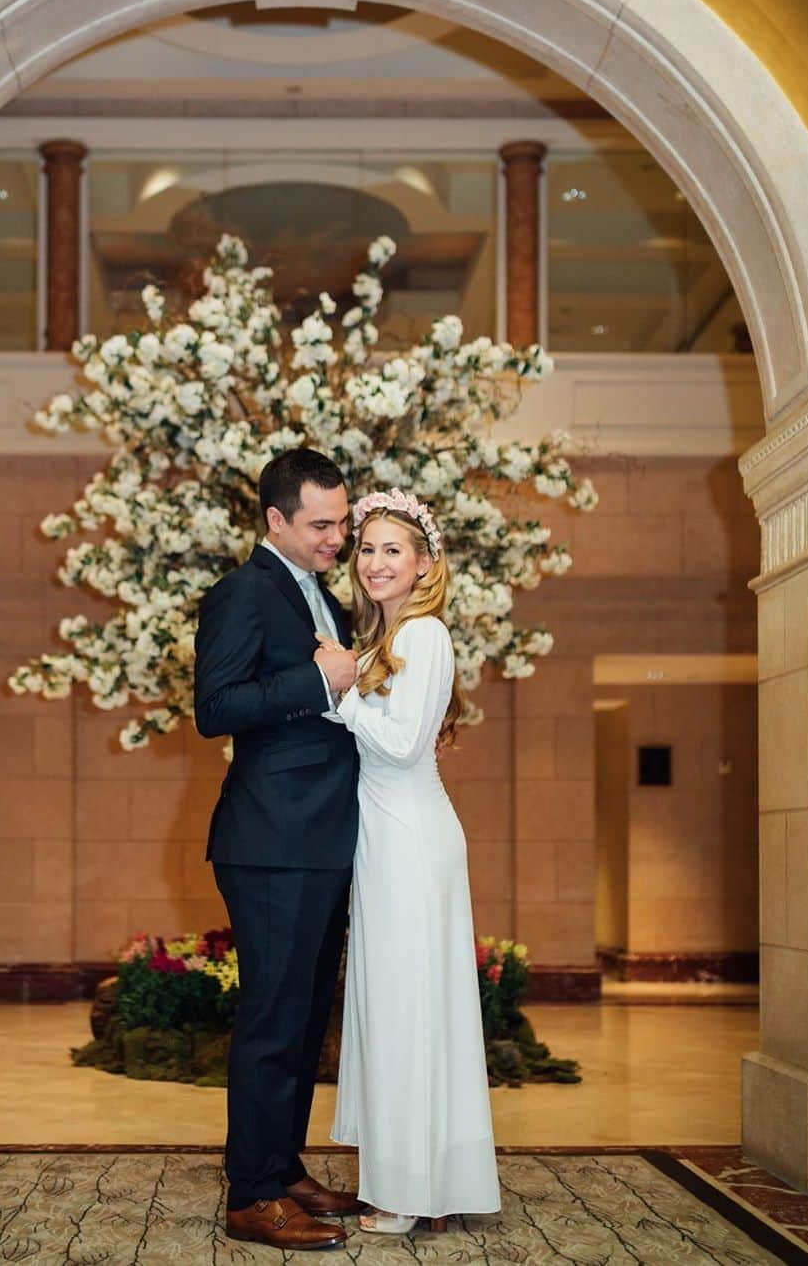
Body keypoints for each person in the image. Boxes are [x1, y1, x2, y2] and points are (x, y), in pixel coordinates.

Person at [193, 447, 365, 1252]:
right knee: (270, 1018)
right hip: (271, 841)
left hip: (323, 837)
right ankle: (251, 1193)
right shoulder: (244, 592)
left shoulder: (320, 593)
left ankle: (281, 1164)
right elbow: (216, 706)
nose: (340, 536)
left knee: (300, 1021)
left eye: (342, 520)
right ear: (276, 521)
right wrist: (319, 678)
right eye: (322, 524)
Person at [320, 488, 502, 1233]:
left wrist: (340, 685)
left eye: (393, 549)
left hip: (413, 836)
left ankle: (407, 1191)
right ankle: (413, 1175)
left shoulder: (425, 635)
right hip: (385, 837)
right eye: (366, 548)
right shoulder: (384, 642)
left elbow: (398, 745)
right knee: (396, 1009)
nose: (374, 561)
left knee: (406, 1010)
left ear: (425, 562)